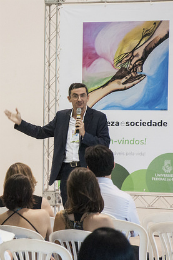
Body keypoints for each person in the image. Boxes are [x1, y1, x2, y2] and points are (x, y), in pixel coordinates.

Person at [4, 83, 110, 206]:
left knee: (88, 206)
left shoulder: (98, 117)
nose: (79, 99)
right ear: (69, 98)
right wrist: (20, 123)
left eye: (82, 95)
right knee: (68, 207)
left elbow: (104, 144)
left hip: (87, 169)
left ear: (88, 97)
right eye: (75, 96)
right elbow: (40, 132)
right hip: (66, 170)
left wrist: (84, 134)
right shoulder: (62, 116)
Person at [85, 144, 140, 235]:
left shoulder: (78, 198)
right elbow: (136, 232)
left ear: (88, 169)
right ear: (113, 165)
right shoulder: (126, 199)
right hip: (117, 248)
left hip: (87, 248)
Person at [53, 167, 114, 232]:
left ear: (70, 191)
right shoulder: (104, 221)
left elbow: (54, 241)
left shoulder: (60, 217)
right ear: (95, 190)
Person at [0, 174, 52, 241]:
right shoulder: (43, 215)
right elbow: (51, 245)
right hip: (37, 251)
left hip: (10, 251)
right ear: (29, 194)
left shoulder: (1, 219)